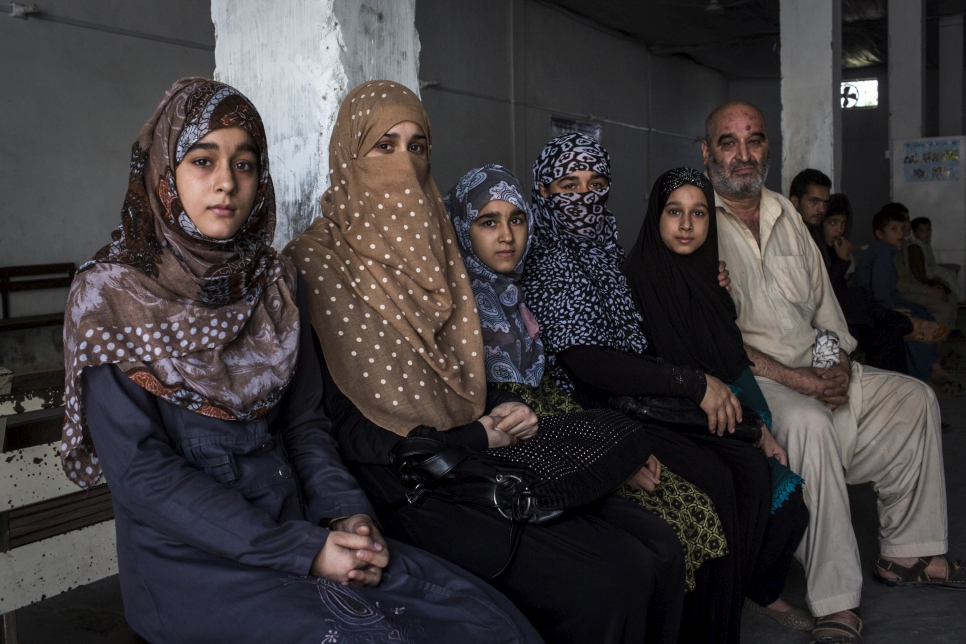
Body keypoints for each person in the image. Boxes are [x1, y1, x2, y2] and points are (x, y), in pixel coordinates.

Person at [61, 77, 541, 644]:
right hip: (193, 564)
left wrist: (347, 516)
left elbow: (305, 426)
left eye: (244, 164)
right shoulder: (109, 298)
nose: (225, 183)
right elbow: (143, 474)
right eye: (201, 160)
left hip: (303, 525)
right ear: (164, 172)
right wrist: (304, 549)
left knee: (487, 619)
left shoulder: (273, 284)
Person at [286, 80, 686, 644]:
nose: (405, 162)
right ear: (348, 157)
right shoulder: (314, 266)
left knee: (659, 549)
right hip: (403, 483)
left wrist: (503, 407)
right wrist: (473, 437)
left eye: (418, 146)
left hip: (475, 456)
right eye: (385, 145)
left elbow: (458, 370)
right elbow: (330, 424)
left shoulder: (438, 251)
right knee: (608, 581)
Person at [705, 100, 961, 644]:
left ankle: (909, 554)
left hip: (819, 368)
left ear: (767, 148)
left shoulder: (786, 214)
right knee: (810, 425)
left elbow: (826, 305)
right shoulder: (695, 220)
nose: (744, 154)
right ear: (707, 152)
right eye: (729, 142)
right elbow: (714, 337)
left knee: (915, 399)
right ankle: (836, 601)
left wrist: (837, 362)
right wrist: (799, 381)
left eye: (754, 141)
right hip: (760, 382)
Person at [521, 133, 773, 644]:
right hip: (592, 417)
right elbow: (589, 363)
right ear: (543, 192)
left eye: (596, 184)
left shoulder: (604, 247)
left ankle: (724, 624)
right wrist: (692, 382)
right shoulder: (552, 261)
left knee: (746, 467)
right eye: (569, 185)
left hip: (634, 404)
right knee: (717, 482)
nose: (584, 199)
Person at [443, 162, 729, 601]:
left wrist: (613, 447)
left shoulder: (515, 292)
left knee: (695, 508)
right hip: (521, 459)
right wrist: (609, 457)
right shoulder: (457, 311)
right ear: (462, 226)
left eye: (516, 220)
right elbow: (513, 411)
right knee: (663, 538)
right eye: (488, 221)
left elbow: (556, 394)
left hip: (564, 427)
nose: (506, 236)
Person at [624, 166, 811, 631]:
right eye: (674, 212)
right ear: (656, 216)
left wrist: (758, 426)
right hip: (669, 418)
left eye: (699, 213)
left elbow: (729, 362)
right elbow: (646, 374)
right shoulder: (634, 280)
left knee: (790, 506)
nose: (686, 225)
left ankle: (753, 589)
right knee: (748, 484)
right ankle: (730, 602)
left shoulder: (710, 279)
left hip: (723, 411)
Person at [790, 172, 937, 375]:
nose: (821, 209)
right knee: (861, 297)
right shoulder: (788, 233)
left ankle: (893, 392)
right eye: (814, 201)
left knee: (886, 335)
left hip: (829, 311)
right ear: (795, 201)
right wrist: (841, 261)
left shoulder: (815, 235)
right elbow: (821, 290)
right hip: (805, 313)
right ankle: (904, 324)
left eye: (824, 202)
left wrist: (839, 259)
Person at [854, 209, 950, 386]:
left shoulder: (885, 250)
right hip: (877, 307)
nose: (900, 233)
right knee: (918, 326)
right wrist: (891, 311)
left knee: (924, 315)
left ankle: (932, 367)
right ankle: (923, 378)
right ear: (880, 233)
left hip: (885, 302)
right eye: (894, 229)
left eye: (901, 228)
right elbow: (880, 289)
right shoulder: (882, 253)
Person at [884, 203, 958, 329]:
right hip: (900, 294)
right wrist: (928, 290)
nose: (907, 224)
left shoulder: (904, 245)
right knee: (944, 309)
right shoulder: (888, 251)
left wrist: (931, 287)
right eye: (903, 220)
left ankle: (941, 339)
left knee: (950, 295)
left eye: (907, 219)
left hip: (910, 289)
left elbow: (913, 276)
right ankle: (926, 338)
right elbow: (900, 284)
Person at [909, 216, 964, 304]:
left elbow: (931, 261)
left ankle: (956, 296)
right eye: (922, 231)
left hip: (931, 268)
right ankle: (961, 298)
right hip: (926, 271)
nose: (926, 233)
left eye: (928, 230)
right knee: (947, 274)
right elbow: (925, 268)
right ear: (914, 233)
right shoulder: (917, 246)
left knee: (952, 272)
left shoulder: (926, 243)